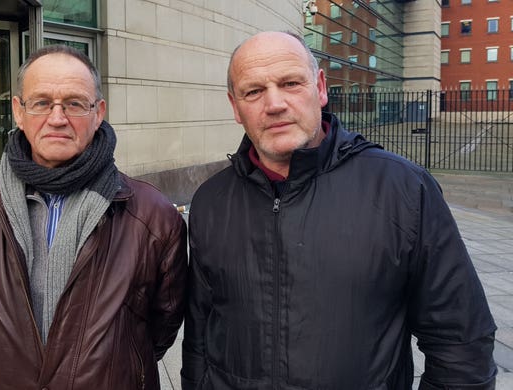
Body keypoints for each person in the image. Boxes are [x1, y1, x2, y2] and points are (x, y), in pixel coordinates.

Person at [181, 31, 497, 389]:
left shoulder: (403, 190)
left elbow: (461, 345)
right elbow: (200, 337)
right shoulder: (210, 201)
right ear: (235, 107)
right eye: (253, 91)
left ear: (319, 88)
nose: (275, 104)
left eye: (290, 83)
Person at [0, 44, 187, 389]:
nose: (58, 118)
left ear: (98, 112)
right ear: (18, 112)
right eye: (41, 103)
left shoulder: (154, 217)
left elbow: (162, 325)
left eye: (74, 103)